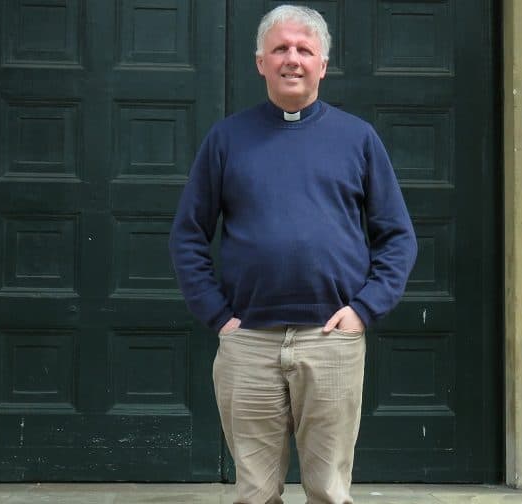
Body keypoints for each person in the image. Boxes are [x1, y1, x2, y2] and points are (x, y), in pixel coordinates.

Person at [169, 5, 417, 503]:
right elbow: (188, 235)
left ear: (323, 65)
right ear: (260, 61)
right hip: (249, 344)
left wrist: (363, 311)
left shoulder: (357, 139)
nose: (293, 59)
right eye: (280, 48)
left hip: (330, 341)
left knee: (328, 490)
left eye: (305, 50)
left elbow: (397, 236)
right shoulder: (227, 139)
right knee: (255, 492)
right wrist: (218, 316)